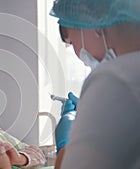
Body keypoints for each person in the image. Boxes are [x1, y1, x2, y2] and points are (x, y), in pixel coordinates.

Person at [50, 0, 140, 168]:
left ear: (87, 15)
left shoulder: (114, 77)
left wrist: (66, 147)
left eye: (70, 42)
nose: (78, 55)